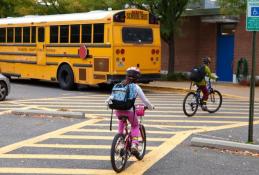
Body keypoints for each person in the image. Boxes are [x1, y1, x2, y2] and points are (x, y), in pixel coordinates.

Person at [106, 67, 154, 154]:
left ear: (126, 75)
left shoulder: (119, 85)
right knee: (135, 125)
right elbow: (145, 100)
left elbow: (110, 98)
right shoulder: (136, 87)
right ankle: (134, 144)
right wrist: (150, 107)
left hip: (118, 111)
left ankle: (120, 142)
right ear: (137, 78)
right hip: (129, 111)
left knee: (121, 121)